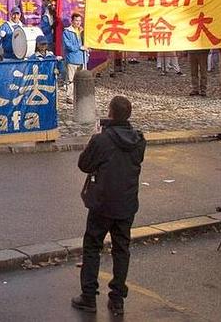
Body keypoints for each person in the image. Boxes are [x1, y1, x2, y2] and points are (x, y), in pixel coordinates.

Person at [73, 96, 146, 317]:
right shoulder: (139, 140)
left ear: (110, 113)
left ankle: (89, 295)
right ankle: (117, 299)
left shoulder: (102, 140)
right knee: (121, 249)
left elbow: (84, 164)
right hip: (126, 203)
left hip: (102, 202)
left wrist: (95, 137)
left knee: (92, 246)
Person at [62, 13, 87, 103]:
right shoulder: (67, 32)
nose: (78, 22)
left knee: (81, 79)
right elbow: (69, 46)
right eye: (76, 20)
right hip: (72, 59)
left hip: (82, 59)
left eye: (80, 21)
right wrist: (80, 47)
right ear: (72, 21)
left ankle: (80, 95)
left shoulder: (83, 32)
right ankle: (70, 96)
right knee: (70, 79)